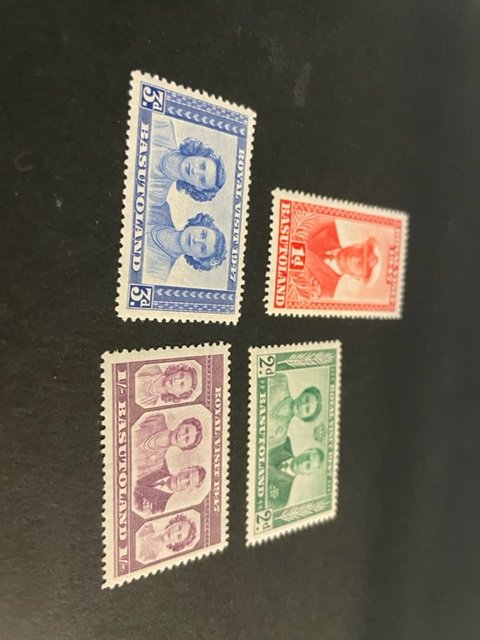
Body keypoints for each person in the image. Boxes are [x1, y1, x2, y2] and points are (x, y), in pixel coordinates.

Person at [148, 117, 226, 204]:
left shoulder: (157, 195)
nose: (195, 171)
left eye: (201, 179)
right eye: (202, 165)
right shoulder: (163, 126)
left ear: (198, 188)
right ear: (200, 154)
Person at [144, 201, 227, 283]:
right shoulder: (161, 207)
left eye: (202, 248)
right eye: (202, 234)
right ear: (199, 224)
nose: (196, 240)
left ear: (196, 258)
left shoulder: (158, 273)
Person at [296, 219, 380, 299]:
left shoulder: (324, 293)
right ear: (357, 245)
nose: (353, 258)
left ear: (356, 277)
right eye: (360, 252)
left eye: (359, 265)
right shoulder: (327, 225)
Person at [133, 414, 203, 478]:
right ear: (181, 424)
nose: (181, 436)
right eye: (186, 430)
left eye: (186, 439)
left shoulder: (157, 464)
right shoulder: (157, 419)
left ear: (184, 448)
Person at [267, 373, 322, 447]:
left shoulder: (280, 437)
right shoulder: (281, 382)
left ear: (304, 418)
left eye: (307, 409)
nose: (303, 405)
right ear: (303, 393)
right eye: (306, 399)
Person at [267, 439, 325, 509]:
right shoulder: (283, 443)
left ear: (307, 473)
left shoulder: (282, 497)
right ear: (305, 451)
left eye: (308, 466)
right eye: (307, 457)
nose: (302, 462)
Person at [134, 461, 207, 515]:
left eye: (187, 484)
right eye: (186, 474)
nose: (181, 481)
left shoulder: (159, 508)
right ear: (184, 469)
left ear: (188, 490)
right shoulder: (159, 462)